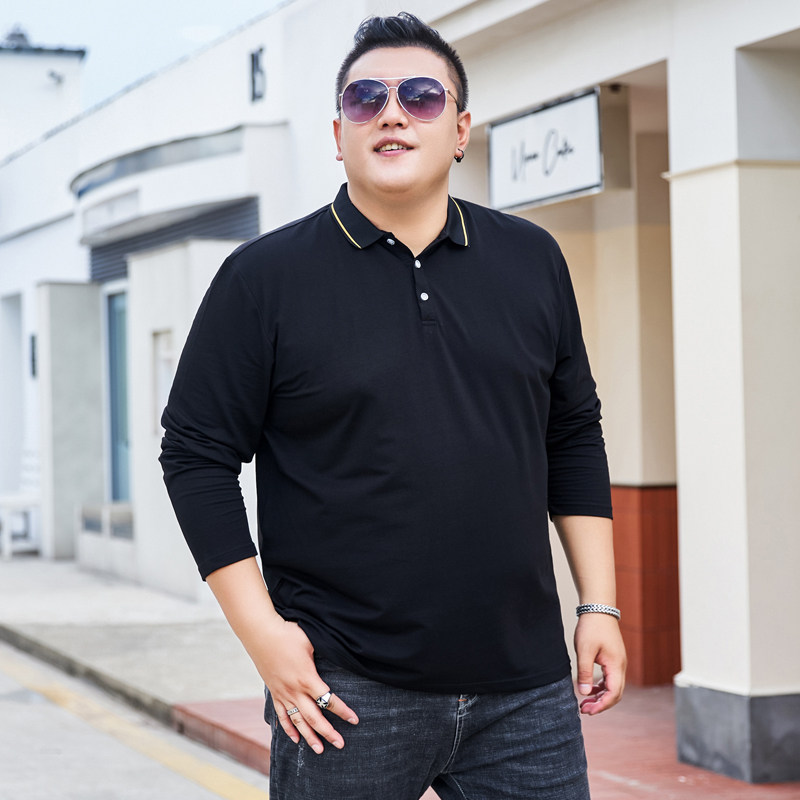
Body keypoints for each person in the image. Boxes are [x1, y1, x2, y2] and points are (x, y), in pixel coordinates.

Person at [160, 11, 626, 800]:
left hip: (525, 690)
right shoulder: (263, 279)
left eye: (421, 96)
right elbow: (195, 456)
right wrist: (263, 636)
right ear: (338, 133)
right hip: (343, 690)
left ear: (461, 130)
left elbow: (573, 431)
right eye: (365, 98)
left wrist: (600, 605)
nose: (392, 113)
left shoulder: (533, 261)